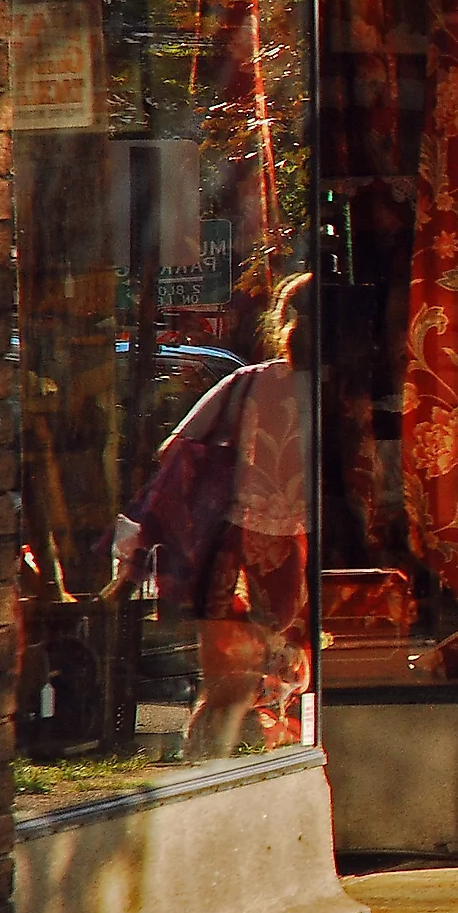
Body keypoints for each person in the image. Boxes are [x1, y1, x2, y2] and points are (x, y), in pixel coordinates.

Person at [108, 274, 313, 759]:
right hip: (295, 554)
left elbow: (175, 449)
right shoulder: (333, 391)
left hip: (230, 549)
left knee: (226, 686)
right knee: (292, 681)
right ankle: (270, 768)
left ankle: (205, 766)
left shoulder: (245, 384)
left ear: (282, 321)